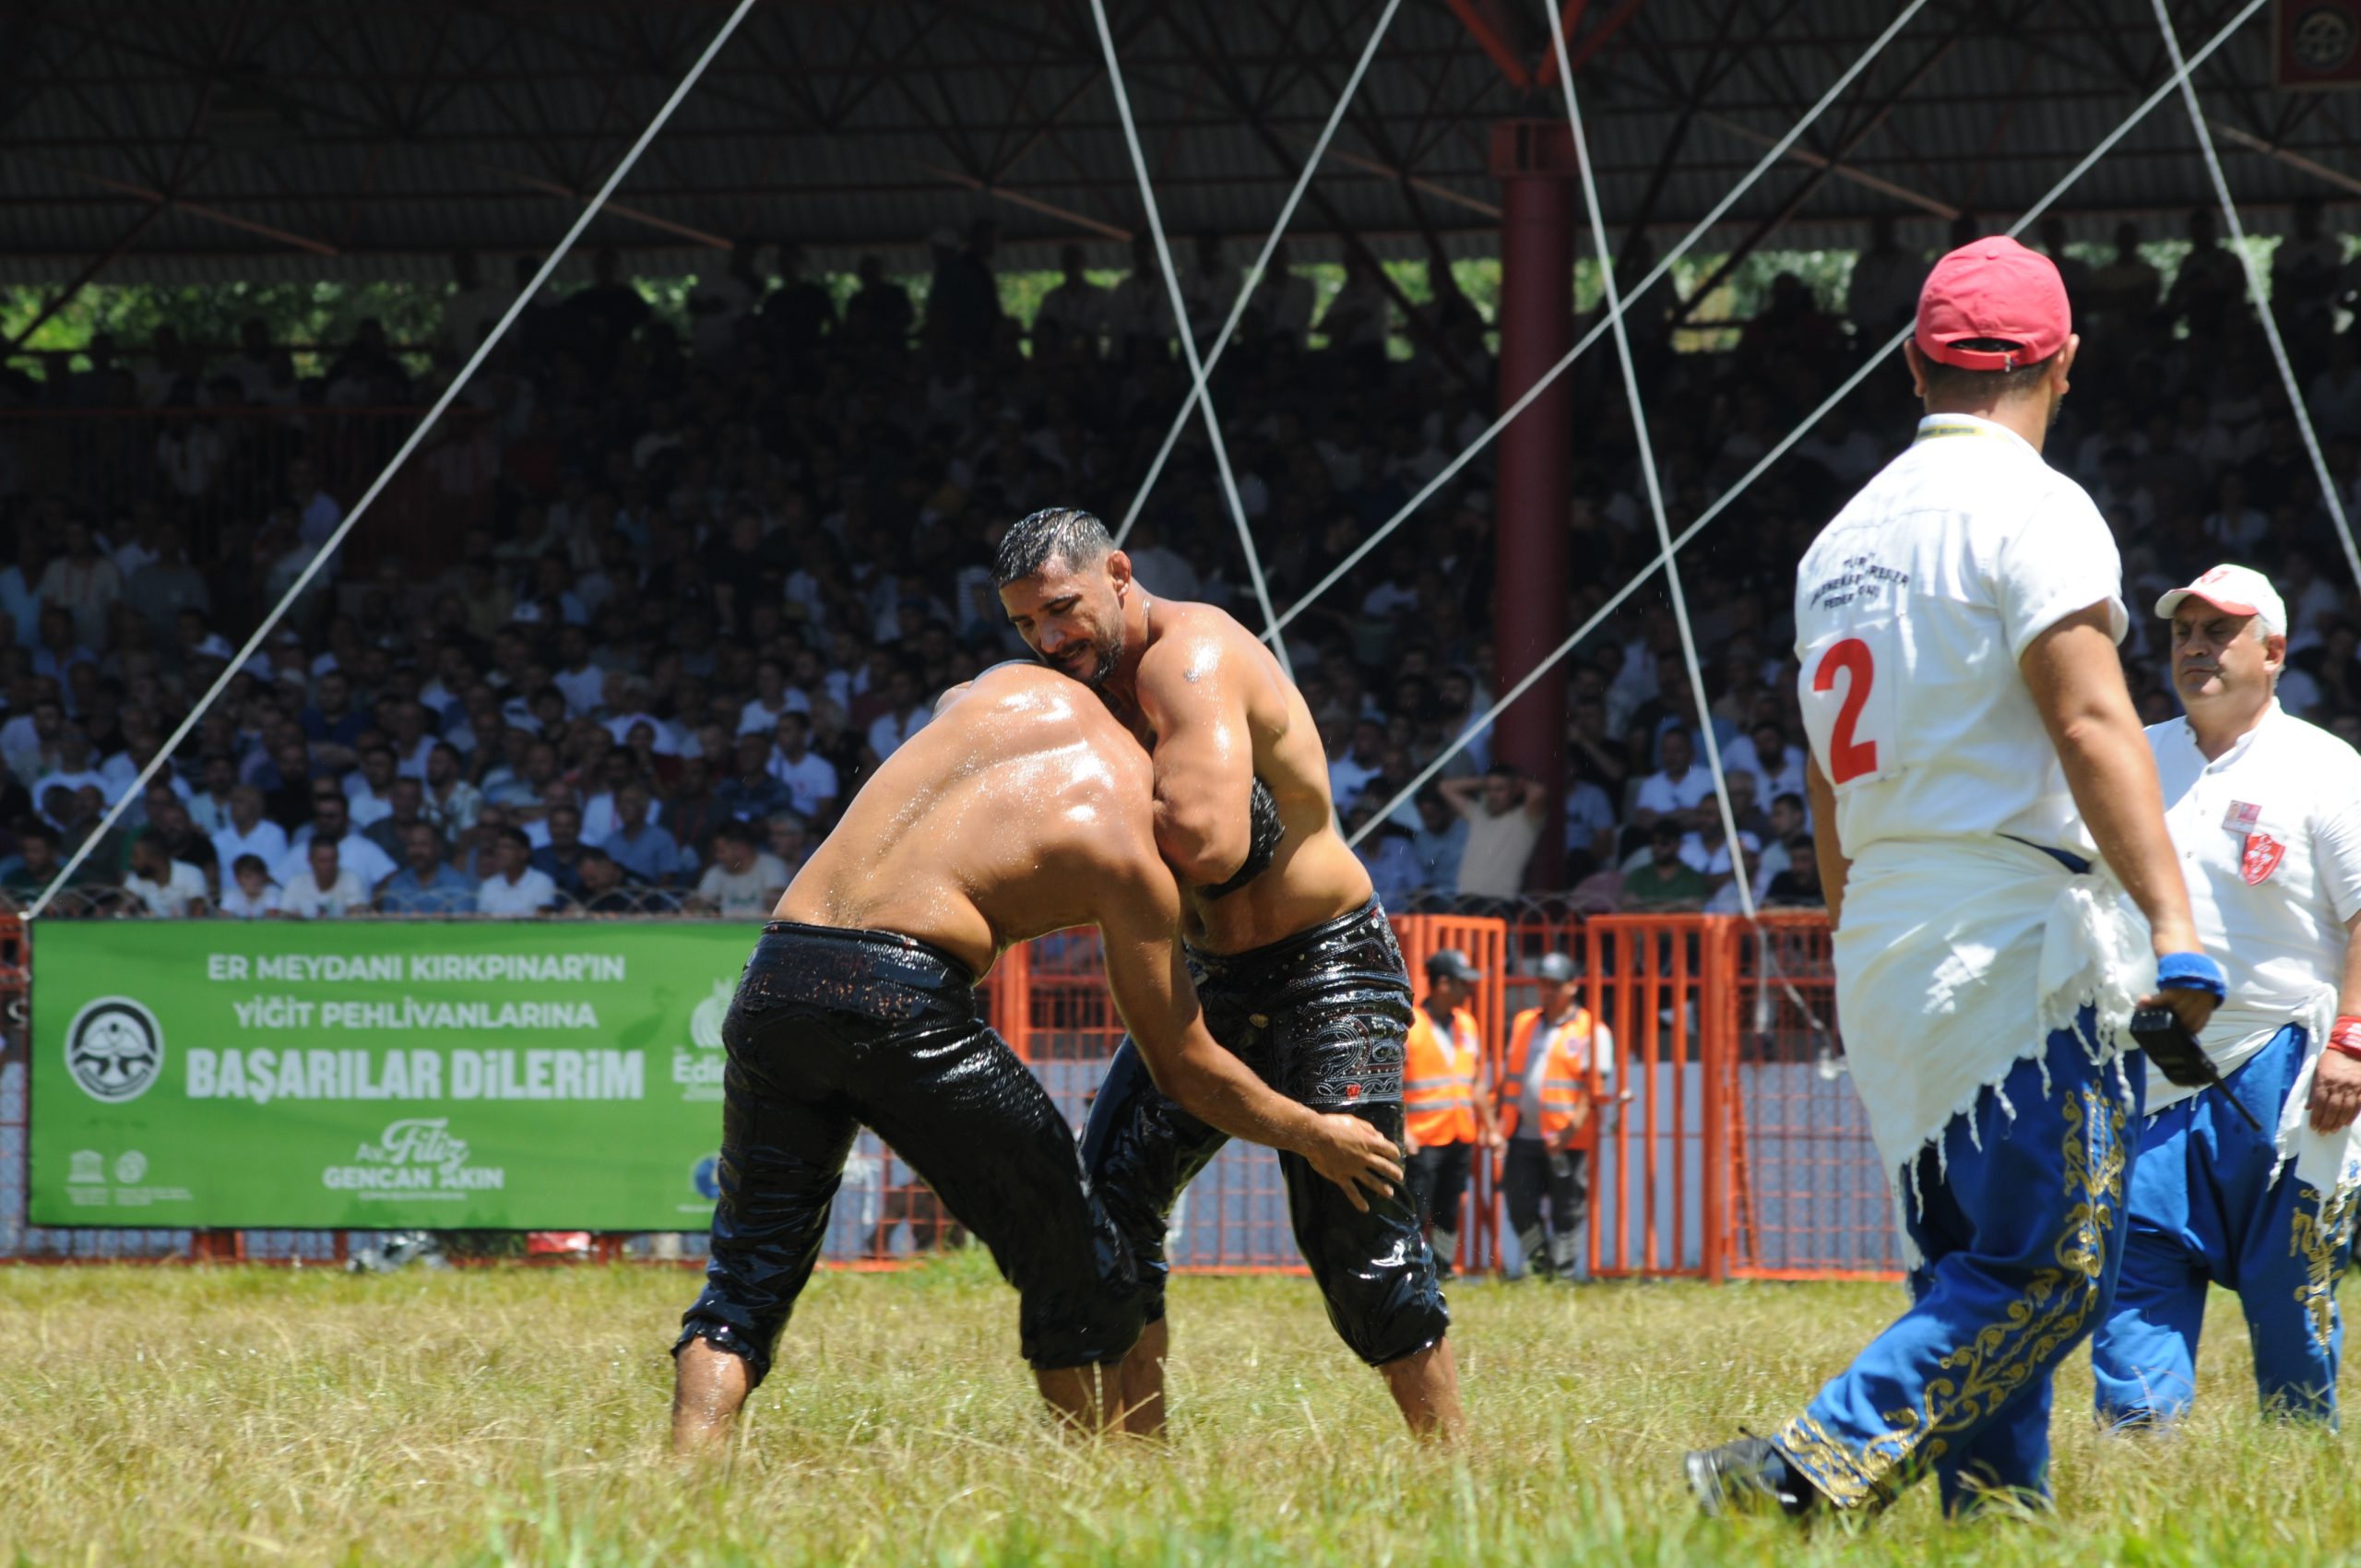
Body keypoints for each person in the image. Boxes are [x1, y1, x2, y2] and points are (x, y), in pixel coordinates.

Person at [1686, 236, 2223, 1520]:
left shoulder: (1838, 543)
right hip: (2009, 931)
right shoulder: (2036, 509)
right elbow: (2092, 725)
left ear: (1914, 363)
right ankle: (1799, 1470)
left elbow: (1821, 778)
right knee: (2055, 1272)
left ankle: (1996, 1517)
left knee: (1969, 1265)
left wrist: (1850, 927)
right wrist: (2175, 925)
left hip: (1884, 918)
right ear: (2064, 363)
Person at [670, 662, 1404, 1452]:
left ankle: (686, 1484)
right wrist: (1311, 1133)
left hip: (776, 977)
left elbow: (950, 718)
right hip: (900, 1000)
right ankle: (1096, 1484)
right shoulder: (1133, 850)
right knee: (1084, 1267)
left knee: (745, 1279)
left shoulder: (1003, 688)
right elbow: (1184, 1067)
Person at [995, 506, 1461, 1438]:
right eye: (1024, 626)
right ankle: (1136, 1456)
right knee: (1108, 1200)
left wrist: (1079, 814)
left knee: (1354, 1217)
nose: (1049, 639)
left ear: (1119, 572)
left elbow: (1209, 846)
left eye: (1062, 609)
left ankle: (1452, 1468)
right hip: (1211, 971)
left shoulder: (1189, 655)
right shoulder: (1080, 686)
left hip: (1326, 963)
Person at [2090, 567, 2361, 1427]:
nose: (2197, 647)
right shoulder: (2131, 756)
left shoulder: (2325, 767)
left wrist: (2352, 1041)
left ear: (2274, 652)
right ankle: (2137, 1473)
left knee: (2293, 1305)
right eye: (2184, 632)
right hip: (2151, 1072)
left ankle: (2296, 1481)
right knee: (2134, 1278)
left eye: (2221, 631)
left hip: (2286, 1073)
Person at [1499, 952, 1613, 1282]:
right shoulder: (1524, 1024)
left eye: (1555, 985)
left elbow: (1593, 1087)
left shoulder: (1592, 1030)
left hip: (1568, 1139)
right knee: (1520, 1207)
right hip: (1523, 1134)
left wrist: (1570, 1129)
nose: (1547, 991)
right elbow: (1511, 1077)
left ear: (1572, 987)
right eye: (1543, 984)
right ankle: (1541, 1265)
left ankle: (1561, 1278)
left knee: (1567, 1211)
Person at [1401, 948, 1498, 1281]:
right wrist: (1404, 1131)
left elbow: (1476, 1082)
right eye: (1463, 983)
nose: (1469, 991)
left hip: (1460, 1134)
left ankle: (1443, 1268)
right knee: (1418, 1209)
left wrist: (1491, 1127)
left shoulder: (1467, 1025)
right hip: (1423, 1138)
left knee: (1449, 1208)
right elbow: (1392, 1085)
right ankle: (1413, 1269)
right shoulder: (1411, 1027)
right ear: (1442, 984)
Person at [1442, 765, 1547, 904]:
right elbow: (1445, 787)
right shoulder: (1478, 814)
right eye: (1489, 790)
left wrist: (1515, 782)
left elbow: (1538, 792)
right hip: (1465, 900)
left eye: (1499, 790)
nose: (1492, 795)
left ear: (1515, 790)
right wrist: (1484, 782)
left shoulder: (1524, 820)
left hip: (1499, 902)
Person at [476, 826, 561, 917]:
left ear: (524, 853)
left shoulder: (542, 882)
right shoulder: (488, 885)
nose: (500, 852)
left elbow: (541, 922)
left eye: (507, 847)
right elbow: (482, 922)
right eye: (498, 847)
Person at [279, 839, 369, 920]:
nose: (328, 866)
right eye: (323, 861)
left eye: (332, 860)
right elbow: (283, 915)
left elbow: (358, 915)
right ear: (310, 860)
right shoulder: (296, 882)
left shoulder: (351, 879)